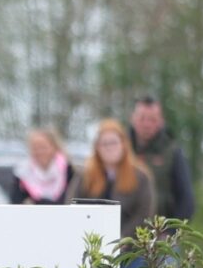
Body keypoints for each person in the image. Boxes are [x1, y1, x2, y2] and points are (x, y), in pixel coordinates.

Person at [75, 118, 156, 239]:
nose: (109, 147)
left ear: (123, 145)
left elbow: (143, 215)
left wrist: (121, 240)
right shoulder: (85, 176)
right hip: (90, 242)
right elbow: (72, 206)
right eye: (104, 144)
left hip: (129, 244)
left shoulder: (140, 177)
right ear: (97, 148)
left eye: (113, 143)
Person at [130, 97, 194, 226]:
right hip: (126, 232)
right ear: (133, 119)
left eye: (152, 119)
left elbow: (186, 200)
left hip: (161, 231)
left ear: (161, 121)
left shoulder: (173, 152)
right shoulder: (122, 149)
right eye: (142, 118)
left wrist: (171, 231)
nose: (147, 124)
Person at [11, 126, 71, 205]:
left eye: (43, 147)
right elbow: (16, 202)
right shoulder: (23, 173)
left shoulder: (69, 172)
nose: (39, 152)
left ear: (54, 147)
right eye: (35, 148)